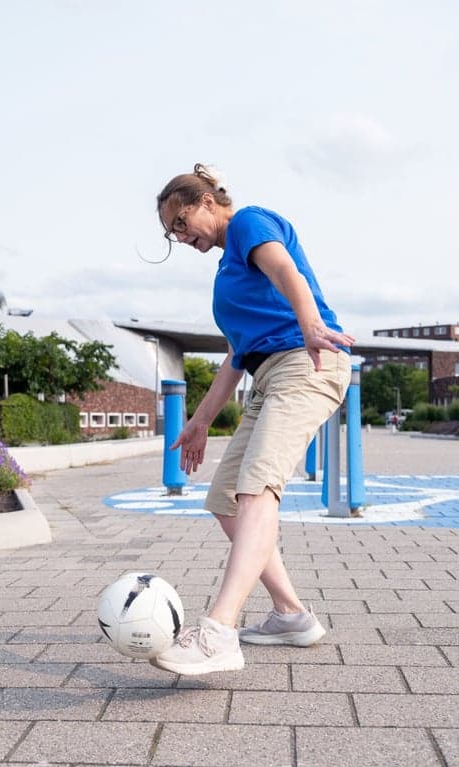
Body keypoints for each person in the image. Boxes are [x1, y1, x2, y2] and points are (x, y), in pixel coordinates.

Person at [151, 163, 354, 675]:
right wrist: (198, 422)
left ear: (204, 203)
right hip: (268, 374)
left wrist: (311, 323)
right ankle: (291, 615)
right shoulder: (227, 269)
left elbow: (287, 269)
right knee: (225, 499)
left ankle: (219, 631)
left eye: (179, 223)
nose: (179, 237)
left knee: (258, 487)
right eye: (170, 232)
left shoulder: (247, 223)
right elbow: (236, 356)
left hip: (307, 361)